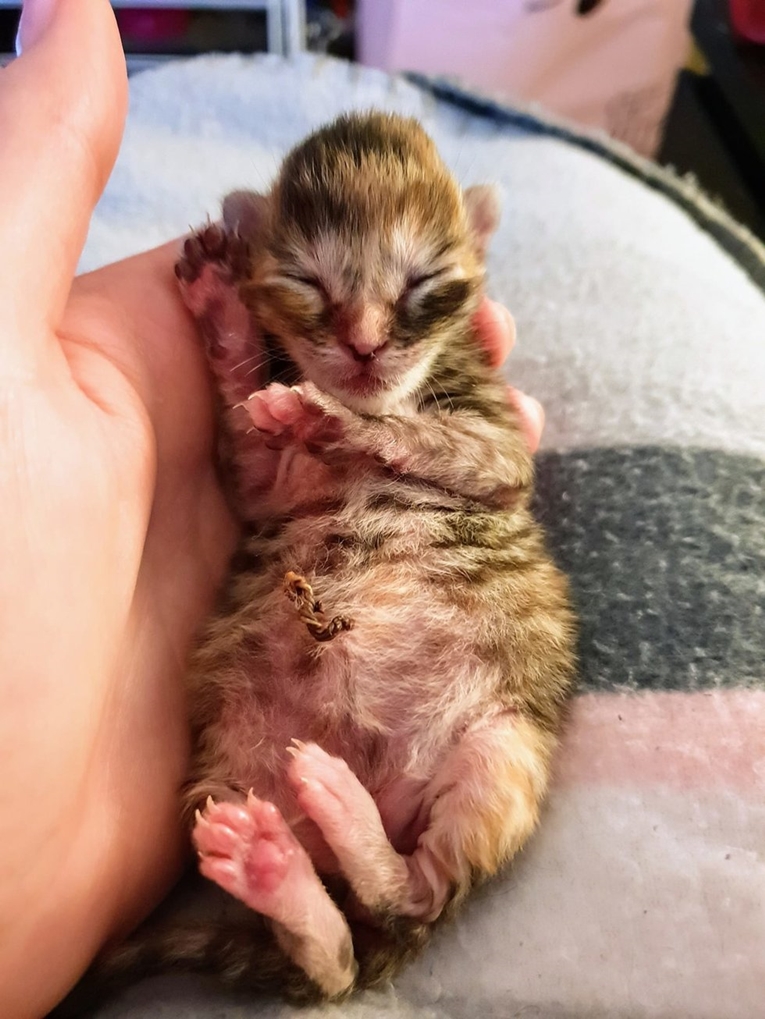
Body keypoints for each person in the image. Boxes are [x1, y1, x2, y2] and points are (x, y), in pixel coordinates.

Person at [0, 1, 545, 1015]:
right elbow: (261, 490)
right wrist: (231, 339)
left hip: (458, 667)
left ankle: (386, 893)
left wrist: (365, 433)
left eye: (421, 290)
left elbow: (502, 470)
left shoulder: (453, 388)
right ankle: (313, 928)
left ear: (475, 246)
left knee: (501, 756)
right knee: (229, 770)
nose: (368, 338)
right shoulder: (290, 400)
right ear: (256, 261)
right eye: (307, 290)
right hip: (296, 655)